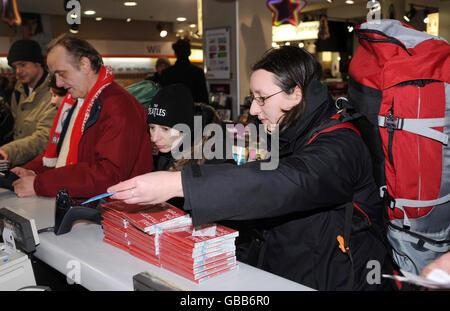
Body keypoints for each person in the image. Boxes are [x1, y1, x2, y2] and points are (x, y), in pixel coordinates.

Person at [108, 46, 398, 291]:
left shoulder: (340, 144)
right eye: (253, 99)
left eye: (262, 98)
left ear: (295, 94)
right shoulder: (288, 133)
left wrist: (177, 184)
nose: (255, 110)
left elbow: (285, 184)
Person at [11, 34, 154, 199]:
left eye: (62, 74)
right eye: (54, 76)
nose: (58, 84)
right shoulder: (79, 101)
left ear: (84, 64)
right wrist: (33, 171)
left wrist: (40, 184)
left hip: (110, 213)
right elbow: (63, 151)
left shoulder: (119, 105)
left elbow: (109, 175)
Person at [0, 39, 56, 167]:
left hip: (40, 167)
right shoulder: (19, 89)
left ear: (38, 63)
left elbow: (44, 137)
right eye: (15, 67)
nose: (18, 71)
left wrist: (8, 150)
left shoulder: (55, 92)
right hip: (18, 164)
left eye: (22, 64)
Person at [160, 39, 209, 104]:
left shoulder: (166, 73)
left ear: (175, 53)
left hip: (172, 111)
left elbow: (162, 98)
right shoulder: (198, 72)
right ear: (189, 53)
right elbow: (203, 98)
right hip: (193, 111)